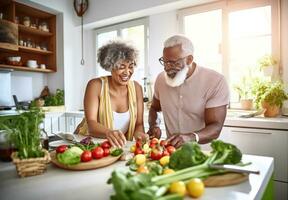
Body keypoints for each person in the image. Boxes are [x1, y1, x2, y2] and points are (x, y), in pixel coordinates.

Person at [147, 35, 229, 148]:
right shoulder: (161, 79)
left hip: (204, 153)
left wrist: (190, 137)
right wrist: (154, 125)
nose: (166, 68)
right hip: (171, 152)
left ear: (189, 59)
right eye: (164, 62)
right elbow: (155, 108)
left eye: (173, 62)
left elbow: (215, 127)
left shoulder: (215, 81)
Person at [75, 40, 147, 148]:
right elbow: (91, 124)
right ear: (110, 66)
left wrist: (140, 135)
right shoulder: (96, 85)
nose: (127, 72)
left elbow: (139, 124)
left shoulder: (137, 88)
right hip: (87, 145)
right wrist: (109, 133)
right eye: (121, 67)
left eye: (131, 66)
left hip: (115, 148)